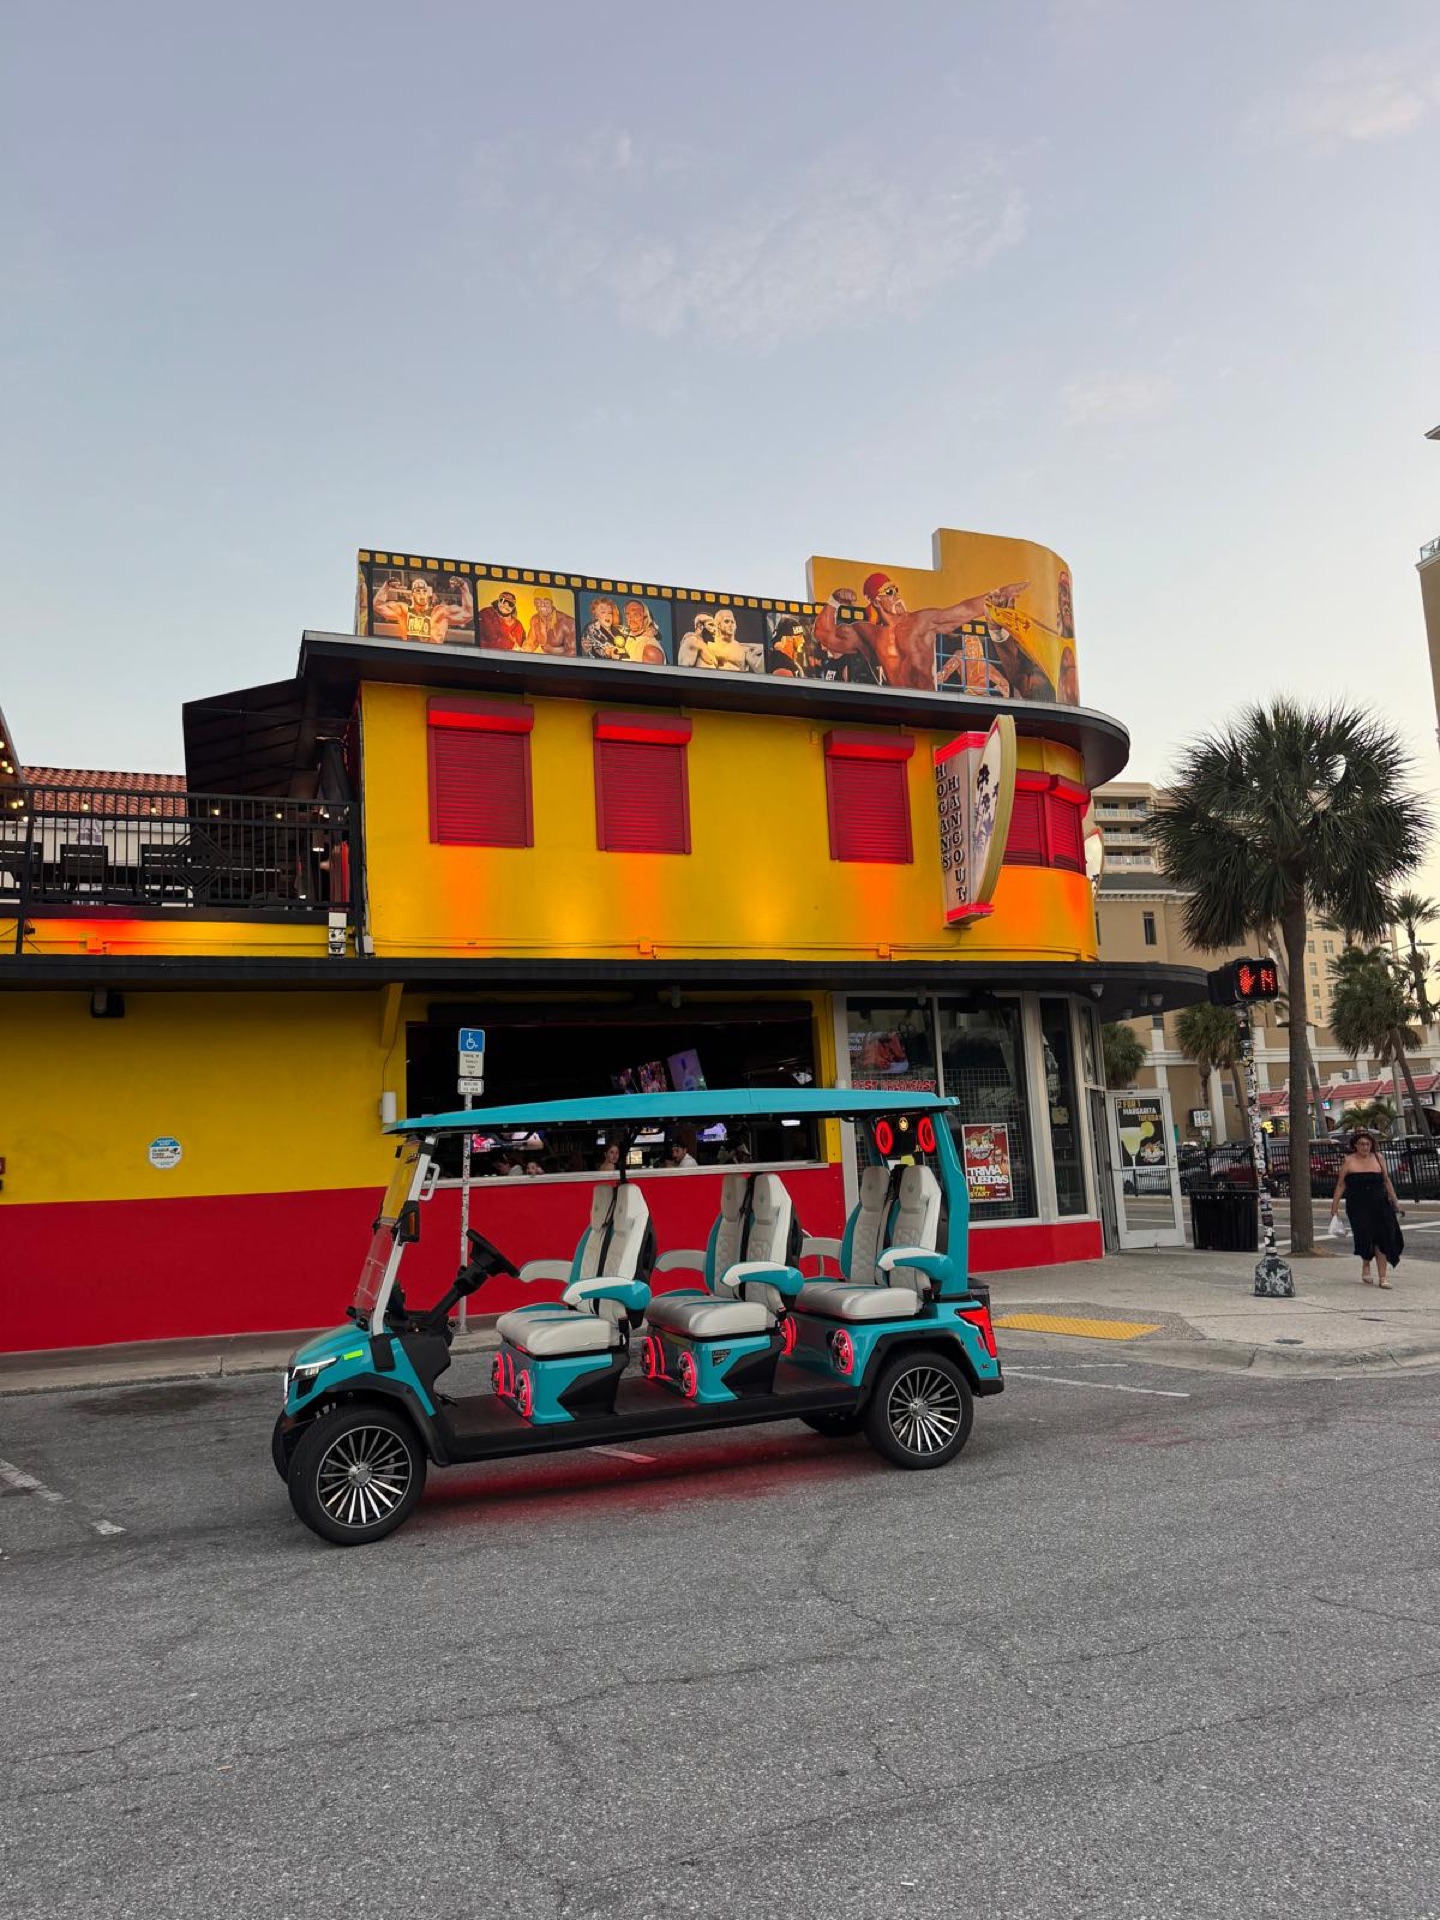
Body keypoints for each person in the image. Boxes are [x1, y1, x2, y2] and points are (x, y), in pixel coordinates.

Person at [818, 572, 1028, 692]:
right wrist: (833, 601)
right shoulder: (868, 634)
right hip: (897, 708)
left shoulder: (920, 621)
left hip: (928, 703)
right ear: (876, 600)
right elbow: (825, 635)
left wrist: (995, 597)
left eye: (896, 590)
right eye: (889, 592)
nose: (897, 596)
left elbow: (962, 610)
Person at [1330, 1130, 1403, 1286]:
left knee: (1383, 1238)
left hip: (1380, 1204)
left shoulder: (1378, 1158)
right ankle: (1366, 1265)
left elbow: (1386, 1180)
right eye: (1361, 1144)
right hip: (1358, 1205)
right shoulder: (1349, 1161)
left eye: (1368, 1144)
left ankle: (1383, 1277)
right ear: (1355, 1145)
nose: (1365, 1147)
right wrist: (1334, 1207)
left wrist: (1395, 1201)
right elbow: (1341, 1184)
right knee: (1365, 1236)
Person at [372, 573, 474, 645]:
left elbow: (468, 613)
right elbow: (377, 605)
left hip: (435, 659)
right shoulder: (404, 610)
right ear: (411, 595)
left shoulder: (439, 612)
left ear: (428, 594)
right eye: (418, 590)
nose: (421, 594)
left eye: (424, 591)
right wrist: (386, 585)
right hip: (411, 658)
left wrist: (464, 586)